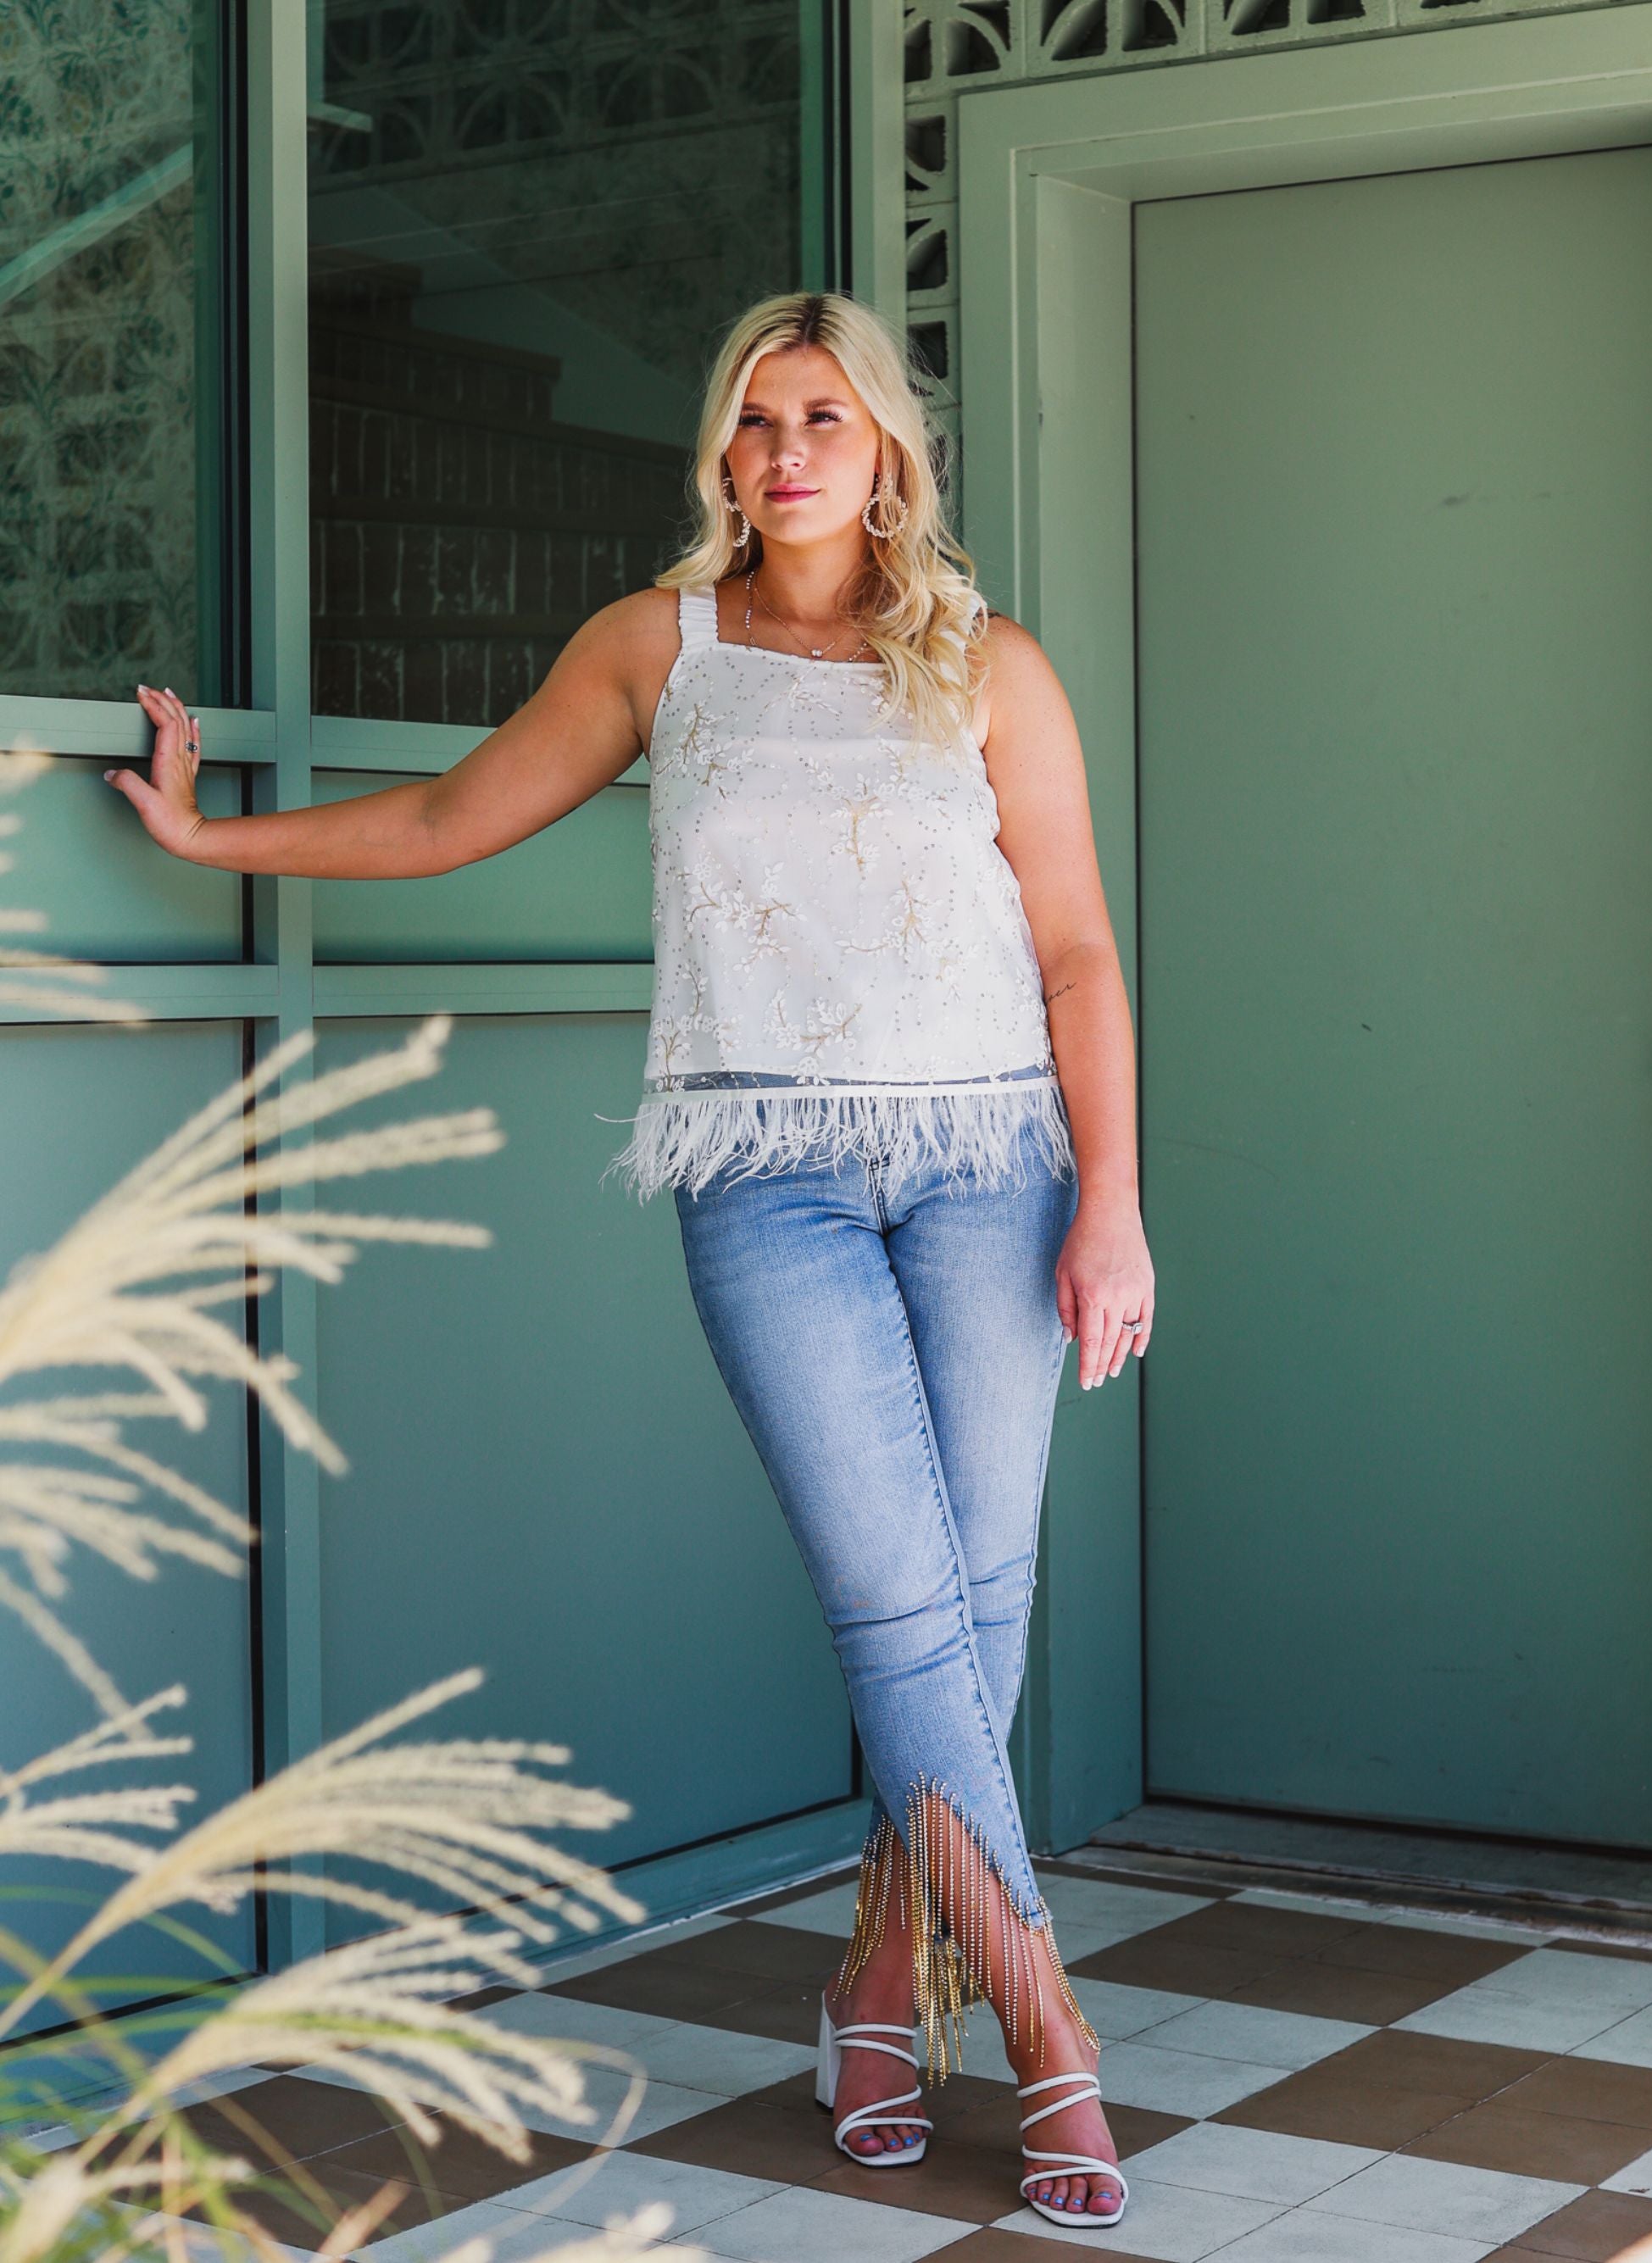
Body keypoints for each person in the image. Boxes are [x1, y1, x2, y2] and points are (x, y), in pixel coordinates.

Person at [108, 289, 1155, 2230]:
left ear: (888, 450)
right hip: (759, 1167)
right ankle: (1046, 2034)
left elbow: (1079, 947)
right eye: (755, 421)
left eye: (822, 418)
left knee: (973, 1617)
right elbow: (445, 814)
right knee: (895, 1615)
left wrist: (1112, 1199)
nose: (783, 454)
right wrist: (206, 846)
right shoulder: (654, 649)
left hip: (992, 1163)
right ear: (722, 452)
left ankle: (866, 1984)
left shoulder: (987, 664)